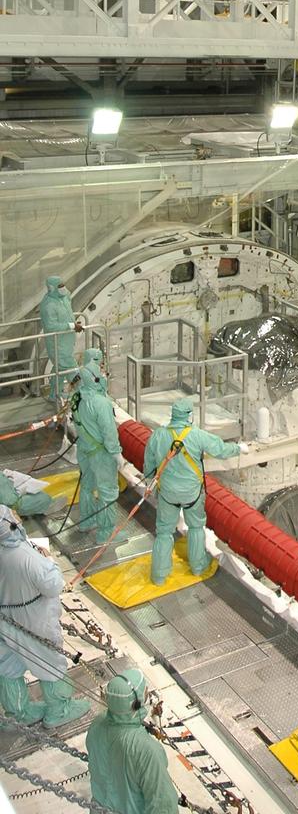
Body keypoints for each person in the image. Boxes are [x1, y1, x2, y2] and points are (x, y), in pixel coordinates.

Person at [0, 506, 91, 726]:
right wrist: (49, 561)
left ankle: (18, 713)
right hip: (34, 620)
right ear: (12, 526)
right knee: (50, 661)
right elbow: (52, 585)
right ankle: (59, 710)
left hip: (4, 617)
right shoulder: (27, 557)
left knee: (7, 663)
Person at [143, 399, 242, 586]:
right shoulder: (197, 435)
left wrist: (150, 484)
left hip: (167, 493)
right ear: (189, 415)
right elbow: (221, 450)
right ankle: (198, 566)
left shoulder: (157, 435)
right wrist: (239, 449)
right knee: (196, 527)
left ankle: (159, 576)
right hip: (192, 494)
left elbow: (149, 464)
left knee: (164, 532)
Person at [87, 668, 179, 814]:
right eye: (146, 693)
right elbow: (163, 806)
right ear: (135, 704)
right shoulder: (146, 750)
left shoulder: (97, 723)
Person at [70, 367, 125, 545]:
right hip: (101, 453)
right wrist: (116, 453)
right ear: (94, 379)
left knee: (87, 485)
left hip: (84, 449)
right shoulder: (101, 403)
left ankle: (87, 521)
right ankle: (106, 533)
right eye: (101, 373)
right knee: (107, 492)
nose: (104, 375)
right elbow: (109, 432)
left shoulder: (76, 397)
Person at [39, 276, 82, 400]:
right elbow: (50, 326)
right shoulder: (48, 305)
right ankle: (82, 392)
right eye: (60, 286)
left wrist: (73, 324)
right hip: (57, 343)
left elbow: (67, 311)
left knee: (59, 368)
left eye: (63, 285)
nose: (63, 288)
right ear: (52, 288)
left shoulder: (64, 297)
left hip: (67, 340)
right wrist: (71, 325)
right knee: (70, 367)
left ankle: (54, 394)